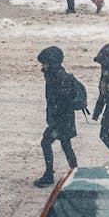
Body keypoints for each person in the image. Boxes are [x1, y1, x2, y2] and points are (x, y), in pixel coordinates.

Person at [34, 46, 79, 186]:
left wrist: (54, 119)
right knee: (66, 145)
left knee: (46, 143)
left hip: (60, 120)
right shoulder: (56, 74)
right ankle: (76, 172)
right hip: (64, 119)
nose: (43, 66)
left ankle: (50, 175)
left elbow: (59, 100)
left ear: (51, 62)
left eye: (44, 63)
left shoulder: (57, 77)